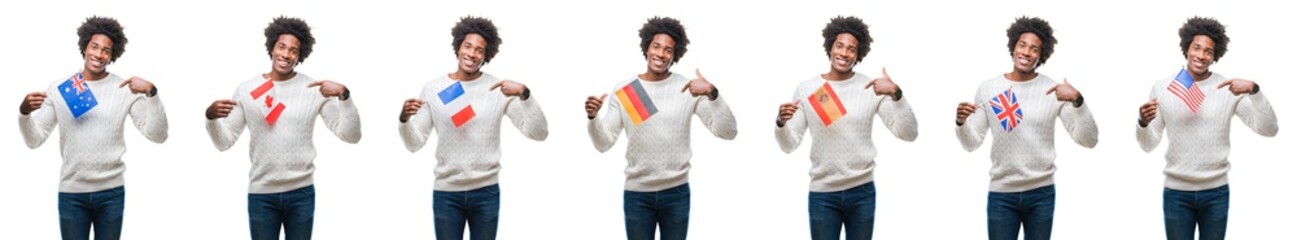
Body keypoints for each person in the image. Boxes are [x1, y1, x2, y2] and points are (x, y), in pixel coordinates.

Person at [204, 16, 361, 240]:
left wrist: (344, 96)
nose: (286, 55)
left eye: (293, 51)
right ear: (272, 47)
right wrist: (211, 119)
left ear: (300, 55)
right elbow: (224, 142)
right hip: (261, 195)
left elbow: (351, 135)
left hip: (302, 193)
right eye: (282, 47)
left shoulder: (313, 89)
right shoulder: (247, 89)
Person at [584, 16, 737, 240]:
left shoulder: (688, 89)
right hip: (637, 195)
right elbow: (603, 143)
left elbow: (728, 132)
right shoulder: (627, 91)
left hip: (677, 194)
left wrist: (713, 93)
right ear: (646, 47)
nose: (660, 54)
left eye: (668, 50)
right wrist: (593, 117)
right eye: (656, 46)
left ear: (674, 56)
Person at [18, 16, 169, 240]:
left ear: (113, 55)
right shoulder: (61, 89)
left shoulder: (124, 89)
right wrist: (24, 114)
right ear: (85, 46)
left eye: (106, 50)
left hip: (111, 193)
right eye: (94, 47)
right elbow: (34, 140)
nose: (98, 55)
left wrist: (152, 93)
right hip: (72, 194)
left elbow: (158, 135)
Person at [398, 16, 548, 240]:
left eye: (479, 50)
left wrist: (525, 94)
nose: (471, 53)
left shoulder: (497, 89)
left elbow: (539, 133)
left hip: (486, 192)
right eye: (467, 46)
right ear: (458, 47)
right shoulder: (434, 89)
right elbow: (414, 144)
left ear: (486, 56)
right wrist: (404, 120)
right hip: (446, 193)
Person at [953, 16, 1098, 240]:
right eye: (1022, 45)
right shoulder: (989, 88)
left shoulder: (1052, 90)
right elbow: (972, 143)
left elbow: (1088, 140)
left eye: (1034, 49)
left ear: (1041, 56)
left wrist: (1078, 101)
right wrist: (961, 123)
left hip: (1041, 194)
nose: (1026, 52)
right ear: (1013, 46)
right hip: (1002, 194)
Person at [773, 16, 917, 240]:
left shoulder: (871, 88)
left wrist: (897, 94)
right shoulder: (808, 89)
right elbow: (789, 144)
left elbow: (908, 133)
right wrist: (781, 122)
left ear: (858, 55)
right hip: (822, 194)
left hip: (862, 192)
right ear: (830, 47)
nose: (844, 53)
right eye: (839, 45)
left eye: (851, 49)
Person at [1135, 16, 1278, 240]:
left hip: (1216, 193)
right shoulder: (1163, 87)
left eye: (1208, 51)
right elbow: (1148, 144)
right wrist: (1142, 123)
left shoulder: (1228, 88)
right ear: (1186, 48)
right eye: (1197, 48)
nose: (1201, 56)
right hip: (1176, 194)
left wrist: (1254, 90)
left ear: (1215, 55)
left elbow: (1269, 129)